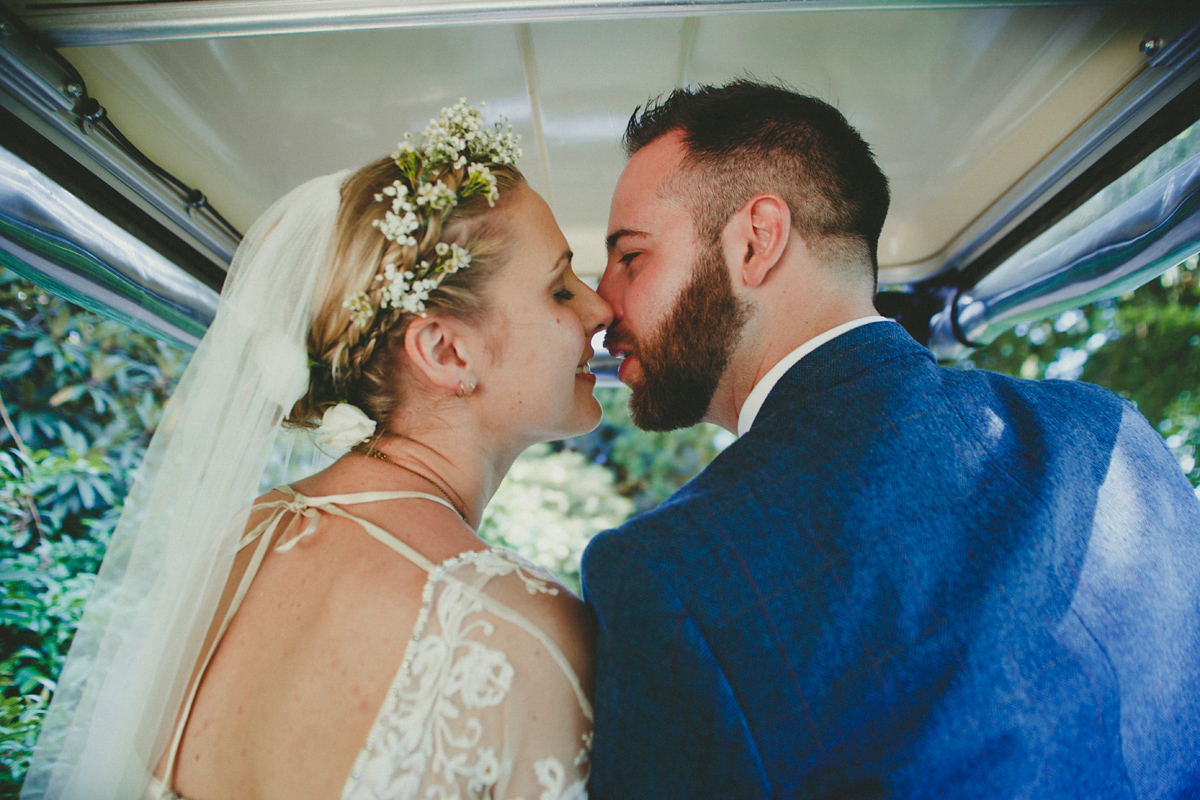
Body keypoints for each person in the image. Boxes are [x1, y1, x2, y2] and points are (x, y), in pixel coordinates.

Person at [582, 79, 1200, 799]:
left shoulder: (672, 573)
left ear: (756, 242)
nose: (600, 301)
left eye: (630, 256)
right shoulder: (1109, 430)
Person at [22, 100, 610, 800]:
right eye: (561, 287)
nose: (600, 309)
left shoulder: (237, 542)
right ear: (446, 350)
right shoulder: (529, 636)